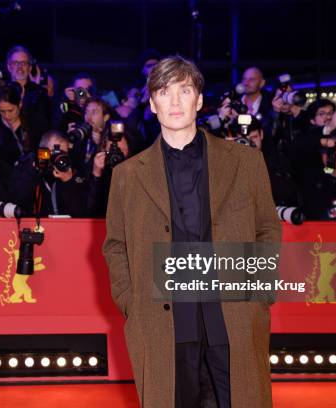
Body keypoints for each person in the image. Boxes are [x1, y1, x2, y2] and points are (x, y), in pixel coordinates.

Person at [103, 56, 281, 408]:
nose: (174, 101)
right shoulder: (127, 175)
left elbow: (267, 229)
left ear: (199, 100)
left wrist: (259, 296)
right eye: (164, 92)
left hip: (234, 314)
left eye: (184, 91)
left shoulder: (245, 162)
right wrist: (132, 303)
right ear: (152, 103)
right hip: (162, 318)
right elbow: (115, 245)